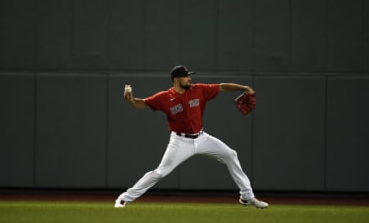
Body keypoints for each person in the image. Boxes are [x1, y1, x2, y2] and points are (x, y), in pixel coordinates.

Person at [114, 65, 268, 209]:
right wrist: (131, 100)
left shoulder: (199, 90)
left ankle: (247, 196)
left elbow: (221, 86)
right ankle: (124, 198)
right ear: (176, 79)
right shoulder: (164, 97)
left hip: (202, 138)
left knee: (231, 154)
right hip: (180, 142)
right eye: (186, 76)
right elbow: (142, 103)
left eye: (189, 76)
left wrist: (244, 88)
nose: (189, 79)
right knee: (160, 172)